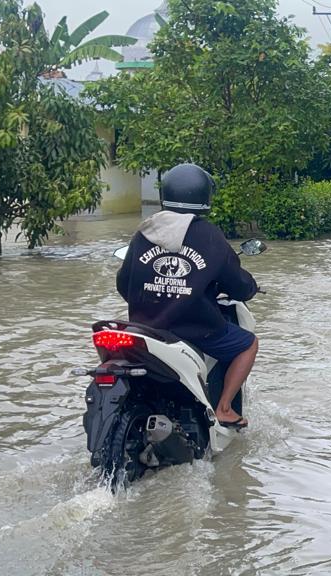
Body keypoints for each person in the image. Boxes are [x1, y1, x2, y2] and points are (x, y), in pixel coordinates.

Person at [116, 163, 258, 429]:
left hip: (145, 329)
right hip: (196, 330)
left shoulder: (144, 232)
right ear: (204, 196)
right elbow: (238, 285)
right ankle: (225, 408)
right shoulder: (209, 235)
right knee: (248, 343)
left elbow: (124, 284)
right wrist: (250, 288)